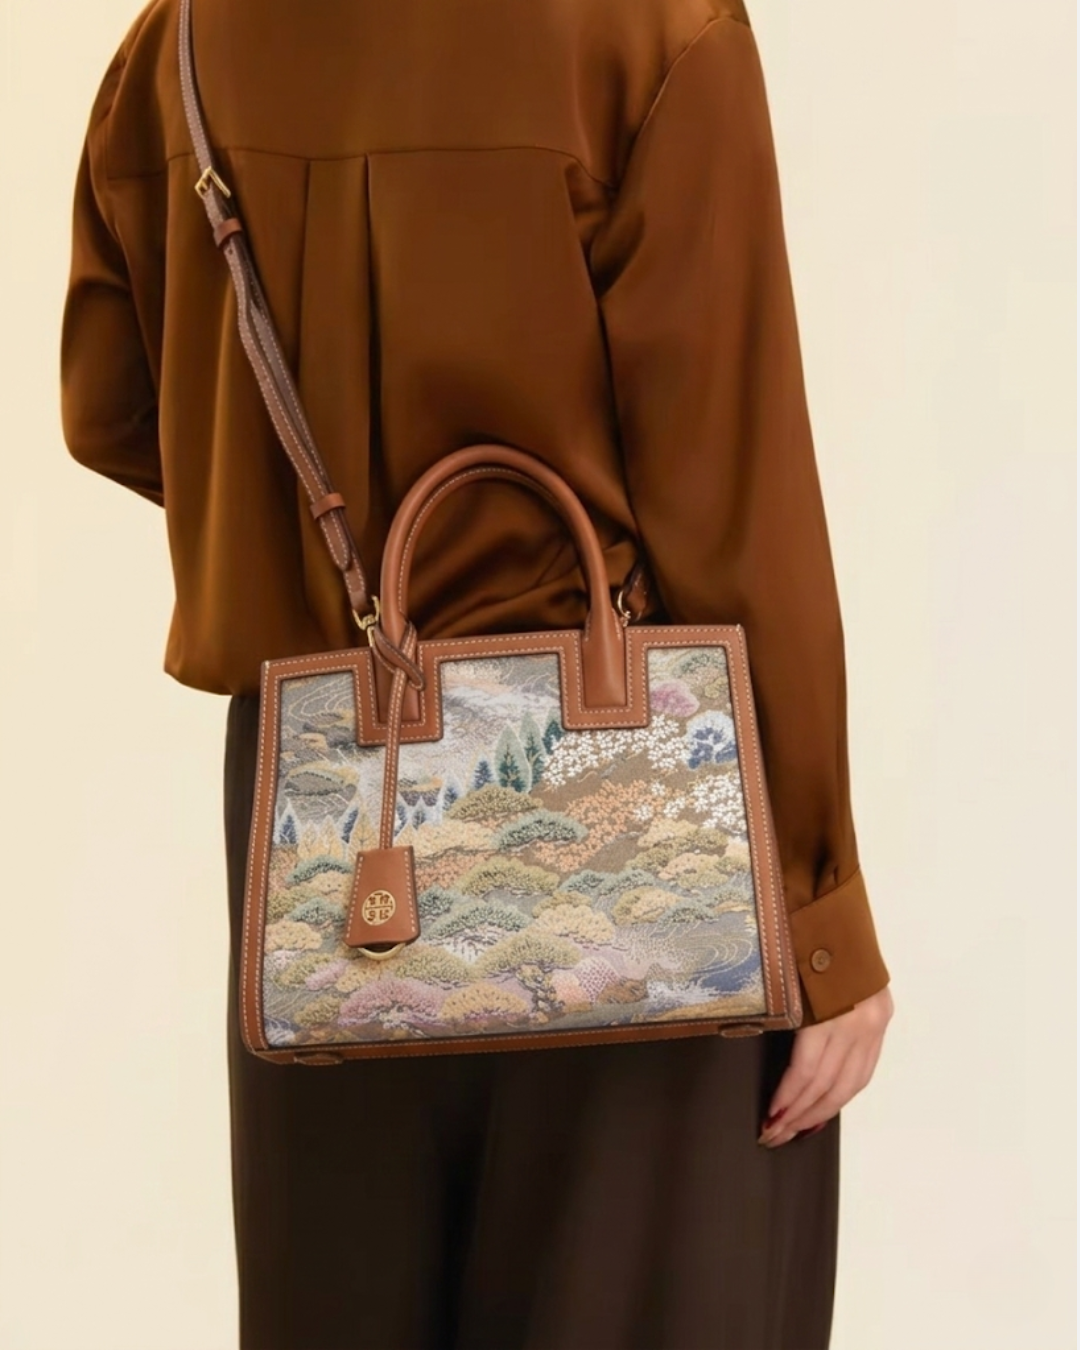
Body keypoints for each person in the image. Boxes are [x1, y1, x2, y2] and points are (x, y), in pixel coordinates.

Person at [60, 0, 894, 1345]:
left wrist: (308, 545)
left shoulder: (186, 37)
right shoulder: (646, 29)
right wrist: (819, 911)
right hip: (627, 794)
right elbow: (731, 499)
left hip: (326, 819)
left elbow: (111, 405)